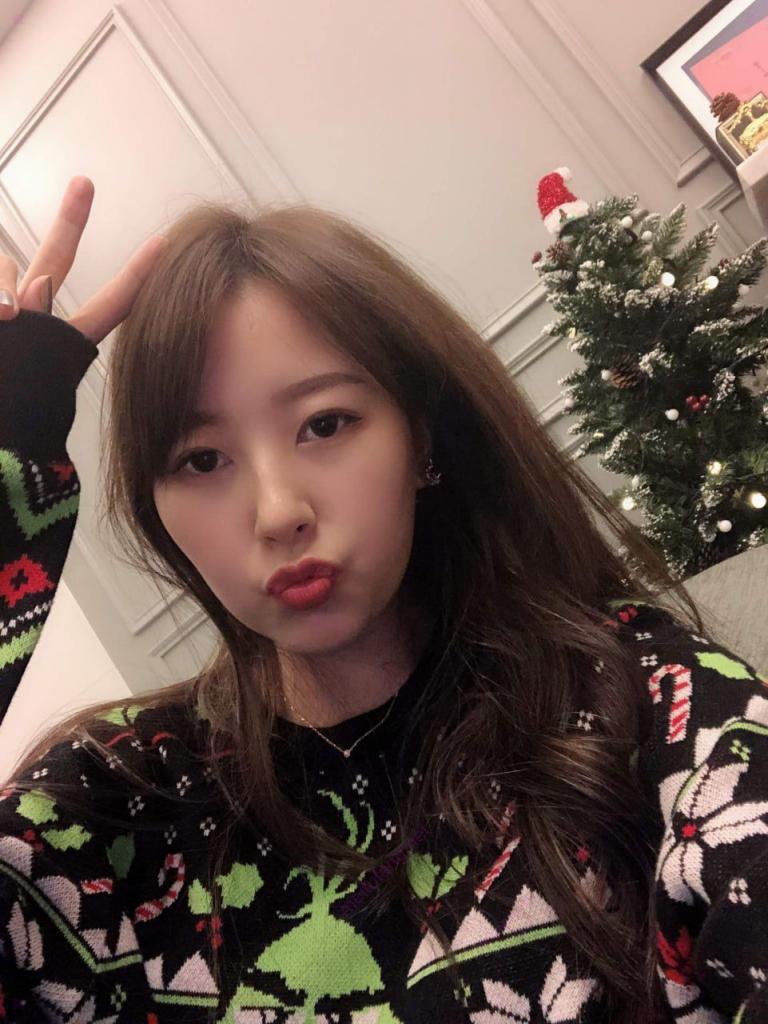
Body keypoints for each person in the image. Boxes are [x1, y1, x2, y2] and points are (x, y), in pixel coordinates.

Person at [0, 176, 766, 1024]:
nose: (279, 512)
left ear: (420, 436)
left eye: (325, 424)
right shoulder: (111, 804)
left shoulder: (641, 704)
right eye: (202, 460)